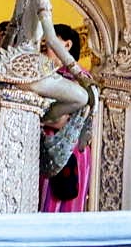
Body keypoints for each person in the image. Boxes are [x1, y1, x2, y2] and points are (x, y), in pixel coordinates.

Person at [39, 23, 92, 213]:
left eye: (50, 40)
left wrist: (38, 118)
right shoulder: (46, 73)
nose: (43, 44)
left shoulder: (79, 79)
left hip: (66, 151)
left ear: (67, 45)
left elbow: (65, 121)